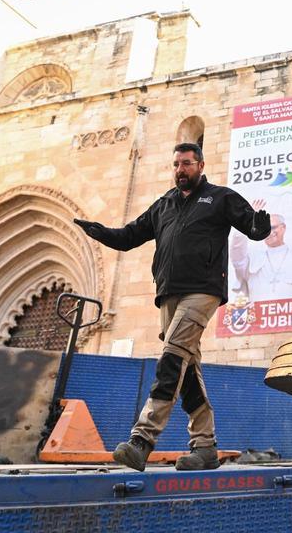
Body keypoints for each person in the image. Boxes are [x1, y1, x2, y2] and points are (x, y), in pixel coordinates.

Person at [73, 142, 270, 472]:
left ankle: (142, 439)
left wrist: (259, 227)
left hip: (203, 290)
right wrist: (100, 233)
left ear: (201, 165)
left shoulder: (220, 198)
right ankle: (205, 447)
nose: (181, 169)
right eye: (177, 164)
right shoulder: (163, 204)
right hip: (168, 293)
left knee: (172, 357)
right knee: (186, 368)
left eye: (187, 163)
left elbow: (251, 225)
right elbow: (129, 237)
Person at [229, 201, 292, 303]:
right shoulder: (251, 260)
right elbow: (236, 249)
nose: (269, 232)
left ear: (283, 228)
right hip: (258, 312)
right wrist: (248, 219)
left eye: (273, 227)